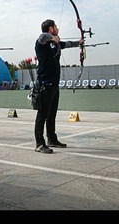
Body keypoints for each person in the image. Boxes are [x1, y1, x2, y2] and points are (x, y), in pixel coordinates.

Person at [33, 19, 83, 154]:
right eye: (55, 27)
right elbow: (42, 36)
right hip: (44, 85)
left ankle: (52, 139)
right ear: (50, 29)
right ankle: (39, 143)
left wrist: (79, 42)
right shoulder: (42, 42)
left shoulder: (56, 44)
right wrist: (53, 38)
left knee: (52, 114)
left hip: (54, 85)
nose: (57, 28)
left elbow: (67, 44)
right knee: (42, 114)